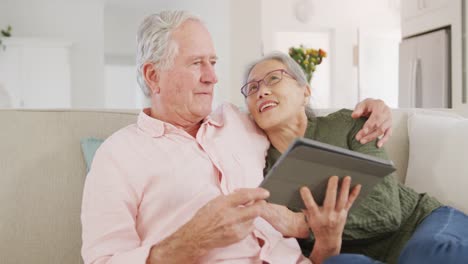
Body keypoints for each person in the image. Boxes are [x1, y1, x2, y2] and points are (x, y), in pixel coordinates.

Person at [81, 11, 392, 264]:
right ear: (153, 76)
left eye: (213, 63)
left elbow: (293, 114)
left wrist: (374, 109)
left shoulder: (241, 122)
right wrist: (189, 243)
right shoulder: (118, 155)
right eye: (195, 63)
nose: (212, 77)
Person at [241, 51, 468, 264]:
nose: (262, 91)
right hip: (361, 258)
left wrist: (301, 224)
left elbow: (386, 212)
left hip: (422, 223)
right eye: (252, 88)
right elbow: (315, 257)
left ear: (305, 92)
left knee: (425, 254)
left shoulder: (347, 124)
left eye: (273, 78)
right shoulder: (260, 172)